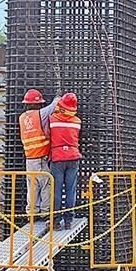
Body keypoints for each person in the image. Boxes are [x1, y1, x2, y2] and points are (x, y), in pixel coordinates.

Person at [18, 89, 59, 219]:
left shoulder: (22, 117)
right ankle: (45, 212)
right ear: (38, 103)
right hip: (41, 157)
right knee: (46, 184)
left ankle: (32, 212)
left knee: (32, 186)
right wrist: (58, 96)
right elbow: (53, 106)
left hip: (29, 158)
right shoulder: (40, 114)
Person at [48, 92, 82, 230]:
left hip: (57, 158)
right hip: (73, 157)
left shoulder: (52, 119)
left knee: (56, 191)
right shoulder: (77, 122)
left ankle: (55, 221)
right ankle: (68, 221)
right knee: (70, 190)